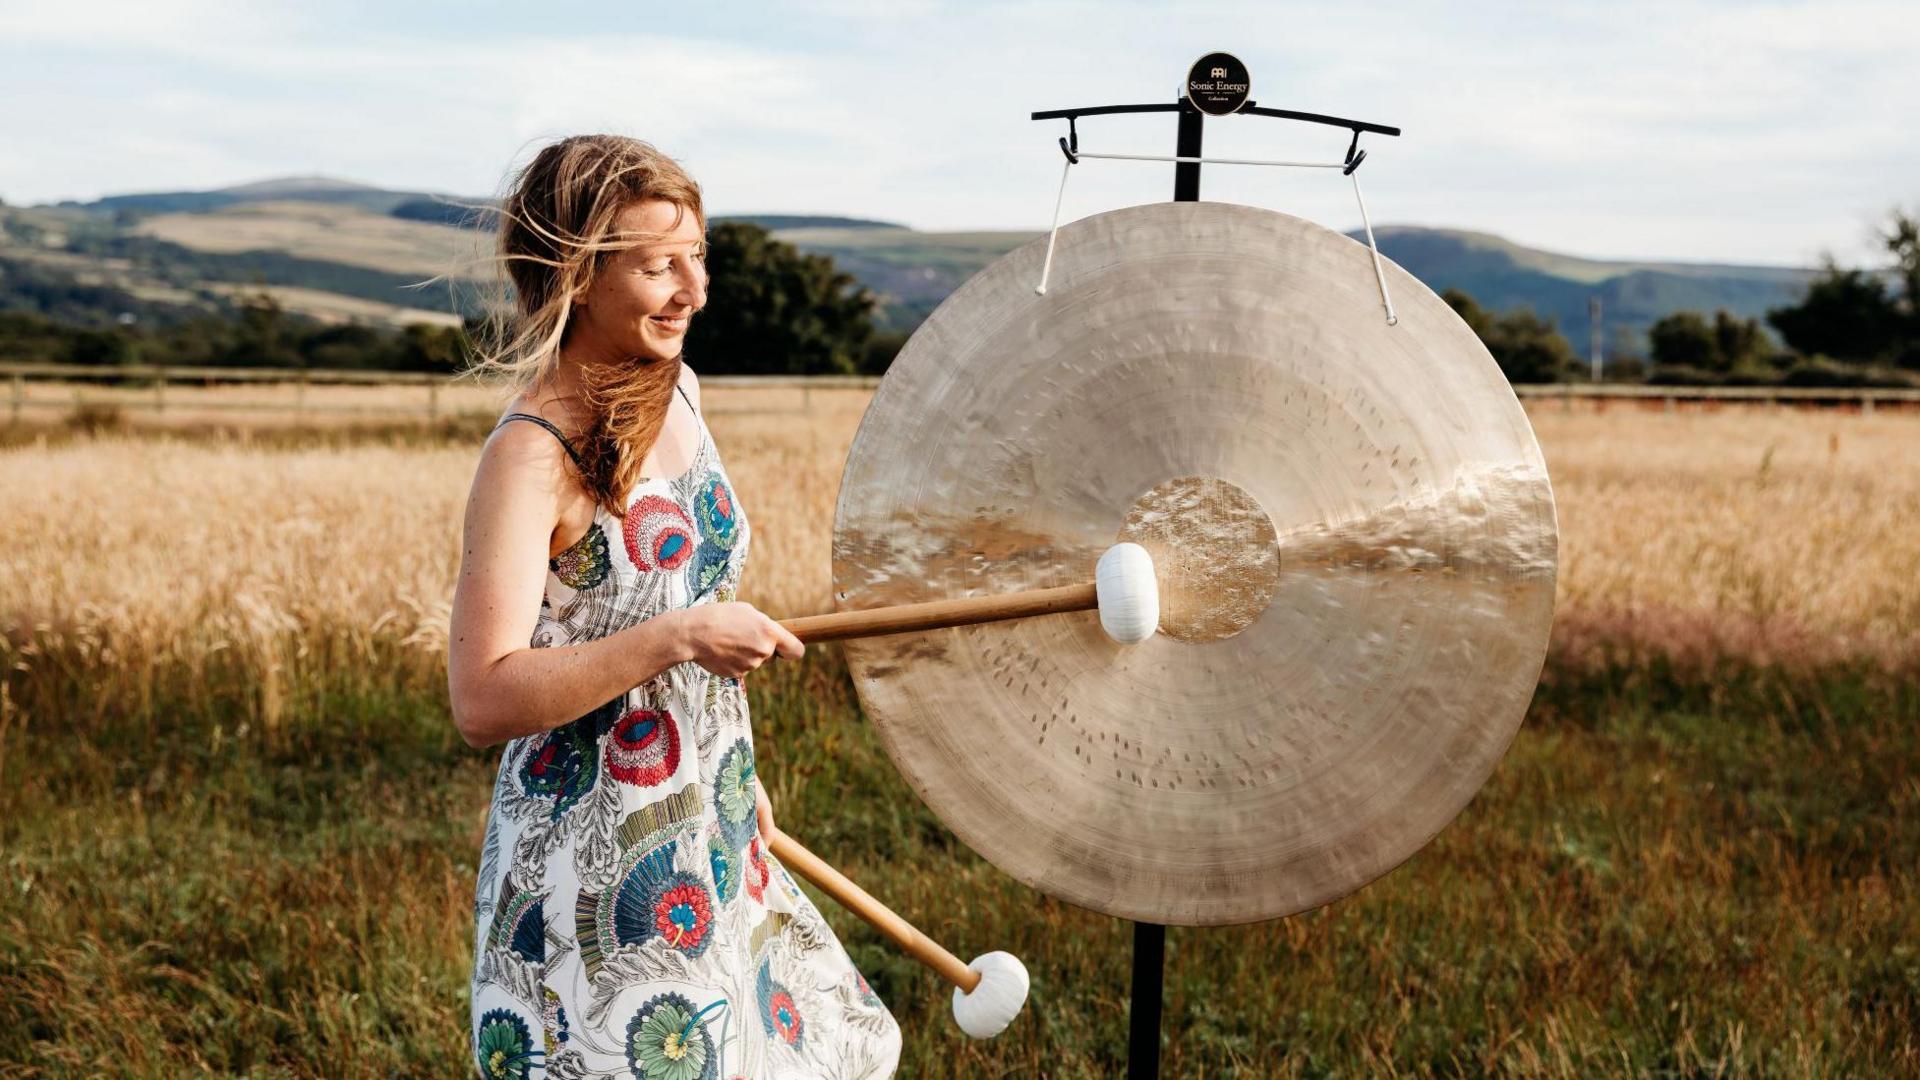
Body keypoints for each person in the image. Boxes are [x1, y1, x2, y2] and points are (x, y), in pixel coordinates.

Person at [447, 133, 901, 1079]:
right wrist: (679, 638)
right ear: (573, 274)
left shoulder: (679, 390)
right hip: (594, 855)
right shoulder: (530, 454)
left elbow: (694, 593)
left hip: (706, 810)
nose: (692, 289)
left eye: (698, 255)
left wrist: (736, 775)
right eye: (657, 265)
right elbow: (483, 698)